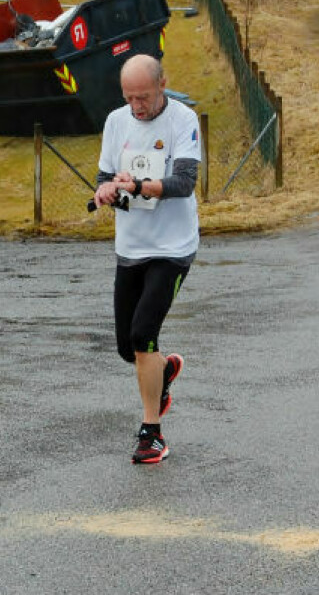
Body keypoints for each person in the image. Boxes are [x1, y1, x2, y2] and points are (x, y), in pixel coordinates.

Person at [93, 54, 201, 464]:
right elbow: (105, 176)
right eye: (130, 98)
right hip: (131, 247)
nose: (137, 106)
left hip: (172, 248)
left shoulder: (182, 120)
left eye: (144, 97)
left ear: (162, 85)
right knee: (129, 349)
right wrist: (106, 190)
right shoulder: (115, 121)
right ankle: (164, 370)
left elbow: (184, 182)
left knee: (143, 336)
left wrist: (138, 185)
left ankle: (151, 433)